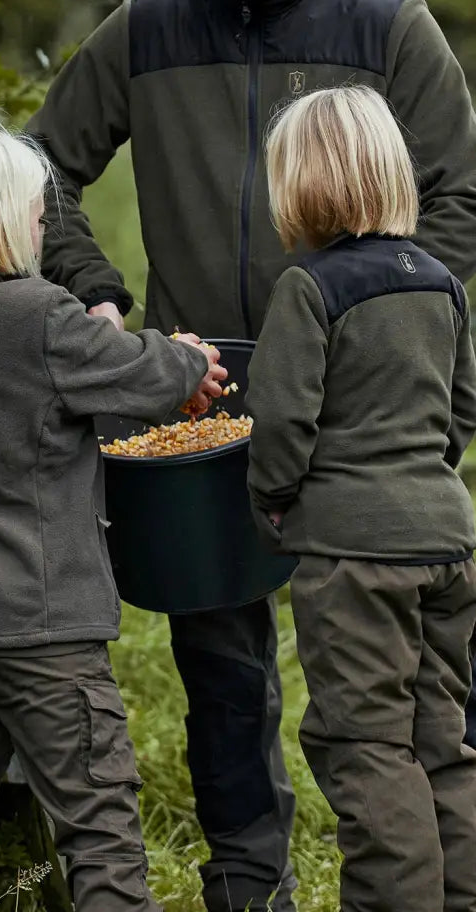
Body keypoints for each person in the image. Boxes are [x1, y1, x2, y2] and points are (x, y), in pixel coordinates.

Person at [25, 0, 476, 906]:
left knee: (408, 700)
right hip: (206, 401)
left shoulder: (389, 27)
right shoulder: (145, 28)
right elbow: (36, 169)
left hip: (362, 411)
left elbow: (461, 199)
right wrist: (96, 289)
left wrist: (398, 338)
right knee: (223, 675)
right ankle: (246, 885)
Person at [0, 120, 227, 910]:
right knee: (100, 827)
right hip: (46, 631)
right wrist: (187, 358)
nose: (44, 225)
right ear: (2, 219)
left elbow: (60, 371)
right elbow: (143, 373)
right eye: (38, 214)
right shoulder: (39, 314)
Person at [246, 85, 476, 912]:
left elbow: (279, 423)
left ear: (299, 182)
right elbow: (463, 406)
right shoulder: (442, 283)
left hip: (355, 557)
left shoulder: (310, 290)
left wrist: (274, 502)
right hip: (446, 540)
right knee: (441, 738)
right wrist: (419, 479)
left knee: (367, 743)